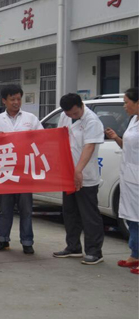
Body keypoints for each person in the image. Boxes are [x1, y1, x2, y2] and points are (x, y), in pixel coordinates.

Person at [0, 84, 43, 254]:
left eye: (18, 99)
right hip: (5, 171)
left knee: (26, 209)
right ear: (4, 100)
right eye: (12, 99)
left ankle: (27, 242)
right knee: (5, 209)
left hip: (25, 170)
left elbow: (42, 139)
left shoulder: (31, 119)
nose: (16, 102)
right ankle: (3, 240)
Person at [53, 93, 105, 265]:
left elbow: (89, 146)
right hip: (67, 173)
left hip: (85, 176)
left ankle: (94, 251)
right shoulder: (64, 116)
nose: (72, 117)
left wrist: (78, 170)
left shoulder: (92, 120)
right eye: (69, 114)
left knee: (88, 215)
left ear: (81, 105)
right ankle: (73, 247)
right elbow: (60, 138)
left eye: (75, 114)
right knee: (70, 213)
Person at [105, 88, 138, 274]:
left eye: (127, 102)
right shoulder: (134, 120)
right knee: (133, 218)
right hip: (130, 177)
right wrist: (116, 138)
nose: (124, 106)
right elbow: (128, 146)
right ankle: (135, 254)